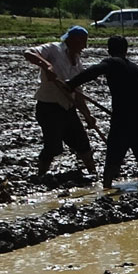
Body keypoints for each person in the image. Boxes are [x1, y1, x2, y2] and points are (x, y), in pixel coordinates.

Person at [66, 36, 138, 189]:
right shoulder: (136, 68)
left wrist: (72, 83)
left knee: (114, 155)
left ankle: (107, 187)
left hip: (122, 119)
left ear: (109, 50)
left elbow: (93, 72)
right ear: (126, 50)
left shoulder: (111, 62)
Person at [24, 25, 99, 181]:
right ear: (72, 40)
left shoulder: (77, 63)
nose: (84, 46)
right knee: (53, 146)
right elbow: (28, 53)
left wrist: (88, 116)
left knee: (83, 143)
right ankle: (41, 175)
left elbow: (78, 94)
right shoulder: (53, 49)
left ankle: (94, 174)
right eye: (82, 42)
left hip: (68, 108)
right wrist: (46, 65)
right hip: (49, 107)